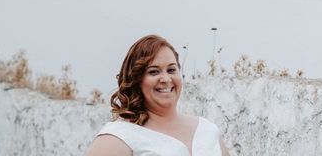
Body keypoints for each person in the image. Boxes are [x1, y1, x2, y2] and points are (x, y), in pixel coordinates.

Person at [87, 34, 232, 156]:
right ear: (136, 79)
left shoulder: (207, 130)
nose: (166, 79)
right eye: (154, 72)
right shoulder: (118, 137)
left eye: (171, 70)